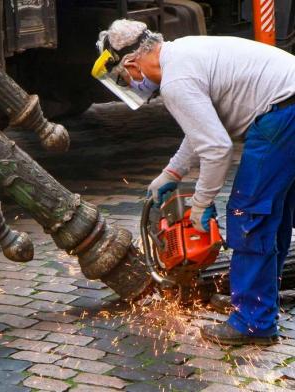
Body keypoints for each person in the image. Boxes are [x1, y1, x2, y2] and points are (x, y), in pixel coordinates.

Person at [92, 19, 295, 345]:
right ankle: (260, 305)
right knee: (275, 214)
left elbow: (216, 148)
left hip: (282, 116)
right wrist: (172, 173)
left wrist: (201, 204)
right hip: (287, 106)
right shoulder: (183, 53)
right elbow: (203, 128)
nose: (129, 82)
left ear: (131, 61)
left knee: (248, 216)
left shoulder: (176, 80)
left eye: (124, 76)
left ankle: (252, 323)